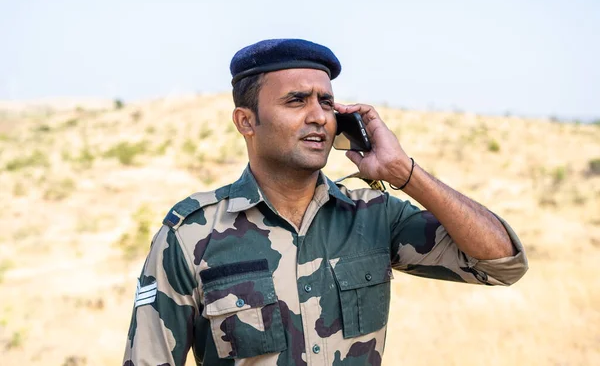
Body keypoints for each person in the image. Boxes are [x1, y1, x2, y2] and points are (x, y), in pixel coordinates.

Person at [122, 39, 528, 366]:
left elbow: (501, 263)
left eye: (327, 102)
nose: (319, 116)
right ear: (246, 121)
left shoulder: (373, 216)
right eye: (296, 101)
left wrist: (405, 173)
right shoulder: (193, 234)